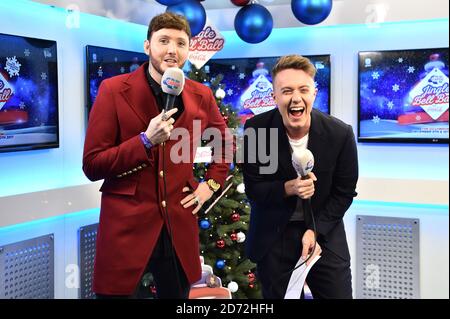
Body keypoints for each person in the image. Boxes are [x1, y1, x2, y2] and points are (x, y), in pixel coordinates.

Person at [83, 12, 229, 299]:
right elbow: (92, 164)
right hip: (126, 227)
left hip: (178, 228)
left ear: (189, 50)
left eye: (180, 43)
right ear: (147, 46)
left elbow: (225, 143)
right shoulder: (113, 90)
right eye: (163, 41)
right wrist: (145, 141)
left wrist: (209, 186)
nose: (172, 50)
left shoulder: (201, 95)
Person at [242, 54, 358, 299]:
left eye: (303, 89)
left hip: (323, 230)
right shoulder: (256, 130)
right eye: (286, 91)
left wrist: (315, 231)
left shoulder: (340, 134)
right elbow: (254, 189)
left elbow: (344, 192)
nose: (296, 98)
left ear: (313, 93)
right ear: (274, 97)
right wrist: (289, 188)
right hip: (274, 235)